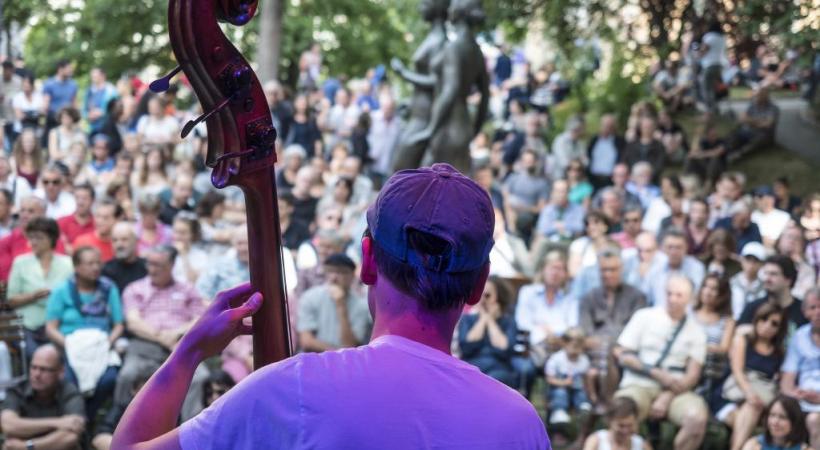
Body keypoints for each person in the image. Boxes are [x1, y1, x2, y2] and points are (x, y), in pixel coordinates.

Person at [112, 163, 550, 449]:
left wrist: (188, 352)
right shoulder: (519, 424)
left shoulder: (295, 387)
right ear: (479, 284)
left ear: (367, 261)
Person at [614, 275, 709, 450]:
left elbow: (693, 375)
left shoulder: (696, 331)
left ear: (690, 299)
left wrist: (668, 396)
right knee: (622, 409)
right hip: (639, 383)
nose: (672, 299)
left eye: (679, 295)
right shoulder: (644, 316)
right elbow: (622, 354)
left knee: (696, 418)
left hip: (677, 389)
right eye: (669, 293)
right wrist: (655, 373)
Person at [114, 245, 208, 422]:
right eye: (149, 264)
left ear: (171, 265)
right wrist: (162, 337)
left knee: (200, 377)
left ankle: (189, 431)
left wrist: (176, 333)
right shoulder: (135, 288)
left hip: (181, 346)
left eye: (158, 265)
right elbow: (133, 322)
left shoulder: (187, 289)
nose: (152, 269)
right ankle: (121, 425)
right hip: (144, 347)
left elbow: (199, 319)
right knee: (127, 375)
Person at [44, 246, 124, 423]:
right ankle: (78, 421)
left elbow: (118, 325)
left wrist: (107, 342)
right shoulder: (62, 290)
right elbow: (51, 328)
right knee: (69, 380)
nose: (95, 267)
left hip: (101, 346)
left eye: (98, 263)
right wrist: (71, 345)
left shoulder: (108, 288)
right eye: (90, 264)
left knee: (109, 379)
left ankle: (84, 420)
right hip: (70, 345)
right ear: (77, 267)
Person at [579, 246, 648, 407]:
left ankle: (599, 402)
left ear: (621, 269)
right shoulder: (589, 298)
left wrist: (613, 344)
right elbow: (586, 332)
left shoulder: (636, 297)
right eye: (604, 270)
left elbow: (637, 331)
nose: (608, 274)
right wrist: (605, 343)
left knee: (608, 353)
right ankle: (608, 403)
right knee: (602, 351)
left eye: (613, 269)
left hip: (624, 349)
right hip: (595, 350)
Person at [720, 303, 787, 450]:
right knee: (750, 412)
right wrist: (749, 393)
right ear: (757, 319)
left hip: (760, 401)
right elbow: (737, 370)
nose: (767, 326)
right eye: (764, 319)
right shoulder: (743, 339)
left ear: (779, 329)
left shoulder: (779, 352)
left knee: (750, 412)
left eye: (774, 324)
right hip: (733, 394)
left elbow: (778, 383)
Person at [7, 217, 74, 360]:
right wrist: (33, 296)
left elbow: (74, 295)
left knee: (61, 353)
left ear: (51, 238)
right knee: (39, 355)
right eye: (31, 237)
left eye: (39, 237)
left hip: (58, 326)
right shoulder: (21, 262)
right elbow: (11, 300)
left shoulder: (68, 264)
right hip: (27, 327)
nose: (33, 241)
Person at [0, 344, 85, 450]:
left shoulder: (69, 392)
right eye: (33, 367)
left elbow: (71, 435)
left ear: (60, 372)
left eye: (44, 369)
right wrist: (57, 422)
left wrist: (26, 446)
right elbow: (9, 425)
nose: (37, 374)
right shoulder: (18, 390)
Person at [297, 253, 371, 352]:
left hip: (344, 360)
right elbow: (306, 341)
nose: (334, 277)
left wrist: (341, 305)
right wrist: (337, 354)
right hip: (315, 358)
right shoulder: (309, 297)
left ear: (352, 276)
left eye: (341, 272)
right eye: (330, 271)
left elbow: (350, 345)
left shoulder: (361, 305)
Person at [457, 276, 519, 388]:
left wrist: (490, 320)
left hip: (499, 371)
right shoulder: (468, 319)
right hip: (471, 367)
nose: (483, 299)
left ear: (498, 297)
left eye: (487, 295)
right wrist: (483, 319)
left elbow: (504, 349)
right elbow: (466, 346)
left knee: (493, 380)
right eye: (480, 294)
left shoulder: (509, 322)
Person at [779, 287, 820, 449]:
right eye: (813, 307)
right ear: (805, 312)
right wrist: (795, 394)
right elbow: (787, 382)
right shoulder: (799, 337)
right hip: (803, 400)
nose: (818, 312)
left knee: (814, 420)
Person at [691, 274, 735, 411]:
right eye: (705, 287)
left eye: (714, 289)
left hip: (710, 368)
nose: (708, 292)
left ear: (722, 295)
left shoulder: (727, 321)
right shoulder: (689, 312)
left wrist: (698, 346)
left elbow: (723, 348)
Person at [737, 255, 808, 333]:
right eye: (766, 273)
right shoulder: (752, 308)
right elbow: (739, 334)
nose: (767, 279)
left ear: (788, 280)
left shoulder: (803, 310)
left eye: (773, 274)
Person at [643, 228, 706, 308]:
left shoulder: (697, 268)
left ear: (686, 247)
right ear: (662, 248)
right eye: (670, 247)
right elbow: (646, 298)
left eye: (678, 247)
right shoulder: (654, 268)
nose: (673, 252)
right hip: (658, 313)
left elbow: (698, 297)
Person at [546, 327, 592, 424]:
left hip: (577, 388)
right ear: (564, 343)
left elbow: (586, 378)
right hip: (558, 387)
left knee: (581, 394)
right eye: (573, 345)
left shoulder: (584, 360)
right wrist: (564, 383)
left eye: (579, 346)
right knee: (560, 393)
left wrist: (589, 392)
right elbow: (550, 379)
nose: (576, 349)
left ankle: (582, 407)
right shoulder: (556, 359)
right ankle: (559, 411)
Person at [740, 395, 811, 450]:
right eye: (772, 415)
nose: (775, 422)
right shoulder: (753, 445)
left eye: (782, 417)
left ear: (794, 422)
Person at [582, 397, 651, 450]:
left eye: (630, 425)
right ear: (609, 421)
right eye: (621, 425)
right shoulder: (596, 441)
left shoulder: (641, 445)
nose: (625, 430)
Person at [102, 221, 148, 293]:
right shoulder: (105, 270)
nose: (119, 245)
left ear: (135, 241)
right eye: (115, 240)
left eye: (124, 239)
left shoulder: (147, 267)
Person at [72, 197, 119, 262]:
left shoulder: (120, 244)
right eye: (97, 216)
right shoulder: (82, 242)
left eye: (105, 217)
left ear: (116, 220)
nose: (100, 221)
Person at [586, 114, 625, 189]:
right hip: (593, 179)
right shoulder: (594, 140)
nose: (607, 128)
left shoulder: (620, 141)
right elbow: (588, 155)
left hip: (611, 179)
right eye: (605, 125)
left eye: (610, 126)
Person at [731, 242, 767, 320]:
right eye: (748, 259)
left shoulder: (765, 287)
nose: (751, 265)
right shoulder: (731, 282)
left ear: (762, 264)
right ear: (741, 260)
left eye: (755, 261)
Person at [57, 182, 95, 251]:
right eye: (77, 198)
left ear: (92, 201)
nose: (80, 202)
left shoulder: (97, 223)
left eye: (84, 198)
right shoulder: (62, 222)